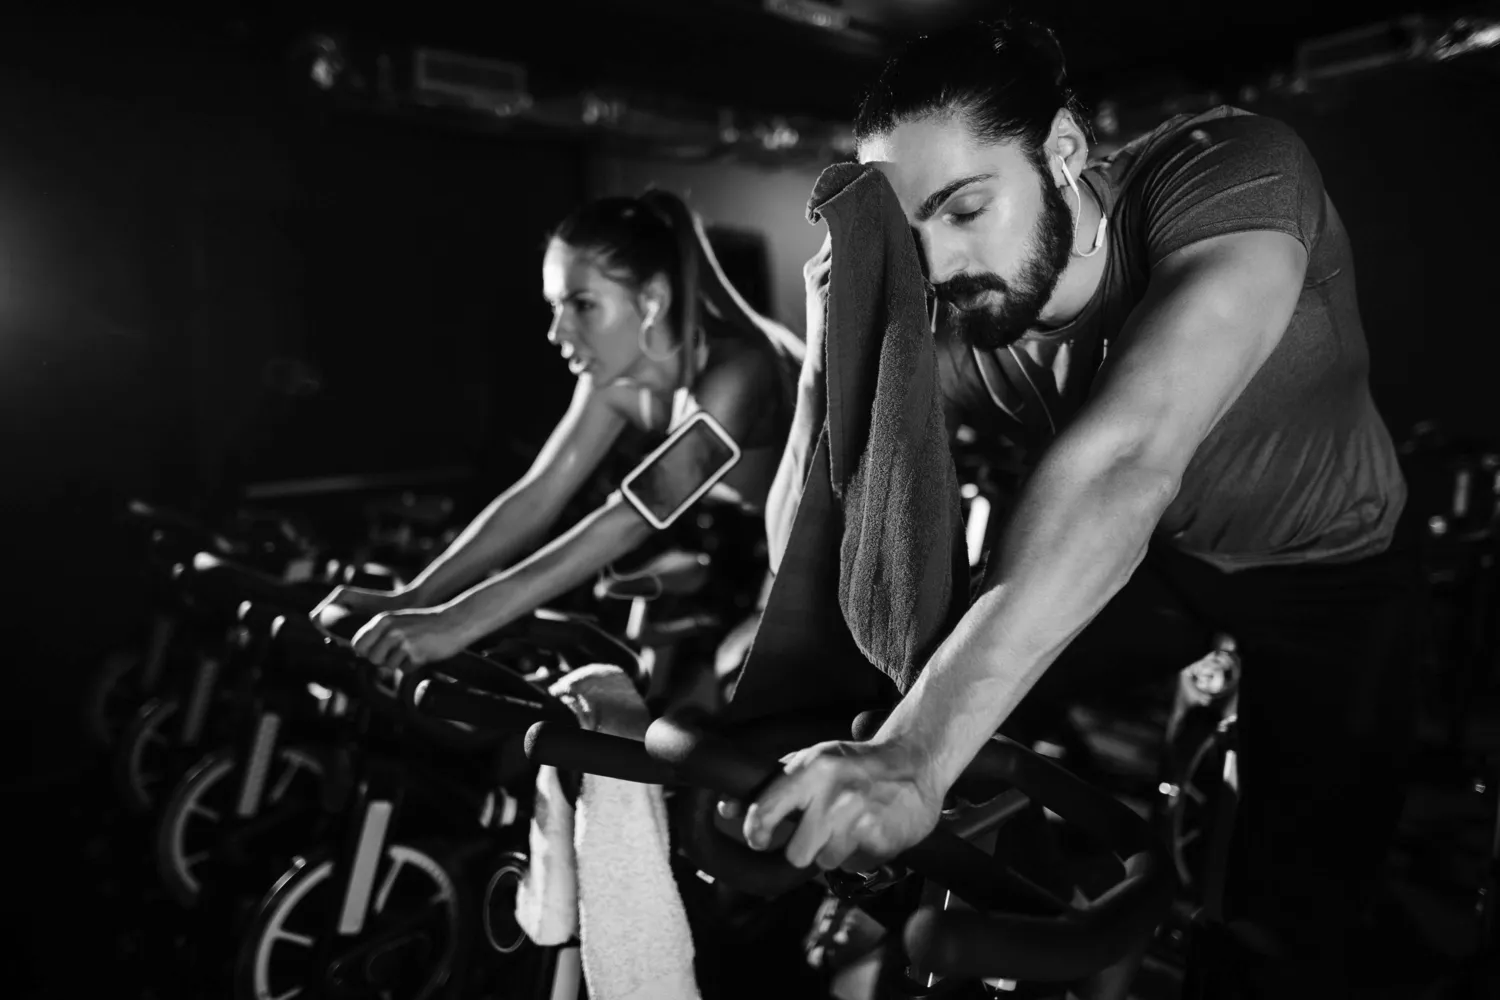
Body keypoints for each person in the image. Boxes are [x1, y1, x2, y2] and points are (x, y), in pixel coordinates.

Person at [739, 18, 1423, 997]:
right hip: (1165, 563)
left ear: (1061, 150)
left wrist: (916, 756)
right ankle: (1025, 913)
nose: (937, 266)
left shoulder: (1227, 171)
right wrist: (827, 356)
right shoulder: (959, 320)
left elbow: (1131, 458)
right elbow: (811, 552)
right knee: (918, 685)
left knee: (1292, 918)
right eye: (908, 233)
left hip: (1331, 568)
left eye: (965, 207)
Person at [314, 190, 803, 680]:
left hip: (821, 551)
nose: (557, 331)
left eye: (582, 304)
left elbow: (634, 518)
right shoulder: (613, 377)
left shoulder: (741, 373)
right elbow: (538, 495)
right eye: (555, 305)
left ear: (652, 300)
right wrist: (416, 596)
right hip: (744, 546)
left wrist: (455, 622)